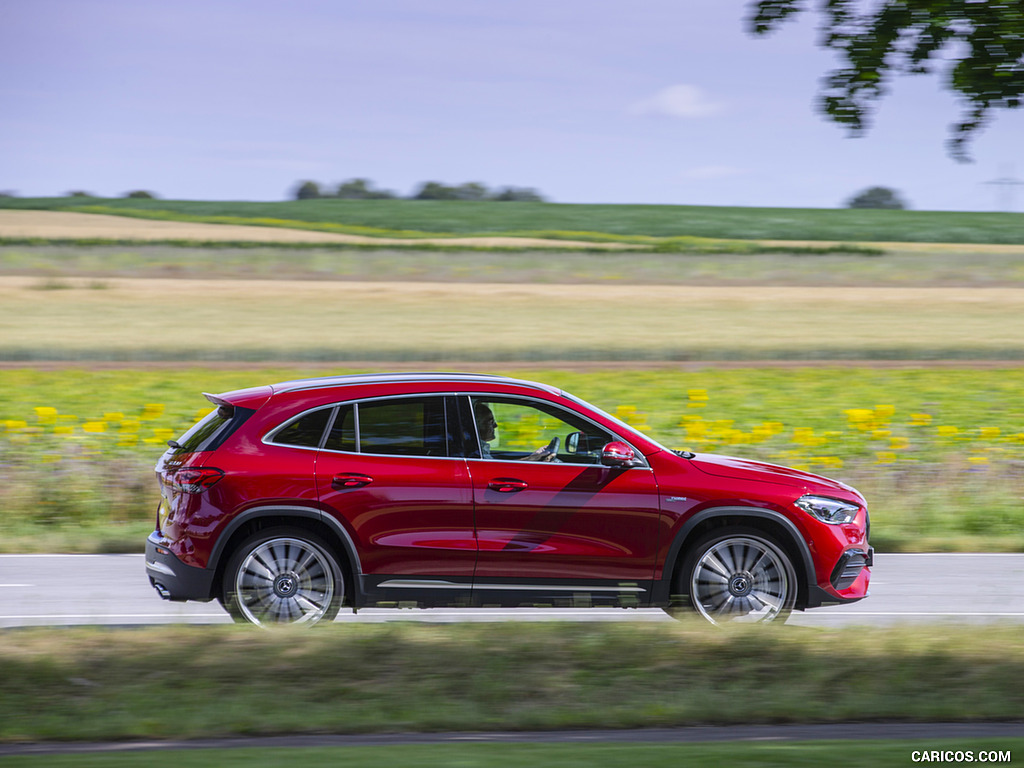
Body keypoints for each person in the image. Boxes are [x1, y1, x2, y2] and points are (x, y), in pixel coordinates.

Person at [473, 400, 558, 462]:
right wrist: (532, 458)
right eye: (490, 422)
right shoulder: (473, 452)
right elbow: (497, 471)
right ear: (477, 425)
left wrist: (534, 456)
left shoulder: (478, 448)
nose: (495, 425)